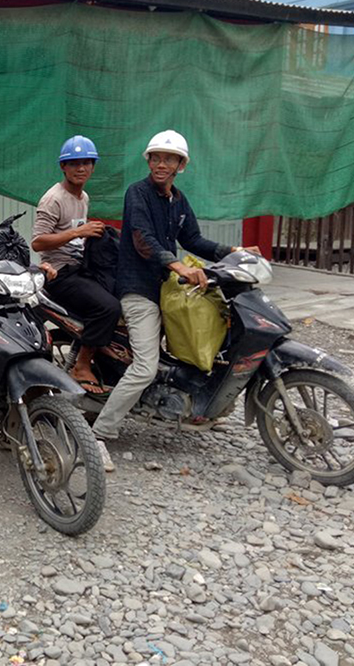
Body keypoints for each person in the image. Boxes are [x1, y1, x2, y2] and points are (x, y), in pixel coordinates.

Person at [92, 130, 244, 472]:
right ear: (148, 161)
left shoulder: (178, 200)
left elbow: (193, 239)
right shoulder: (138, 193)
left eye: (169, 159)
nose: (162, 164)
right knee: (146, 366)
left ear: (180, 165)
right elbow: (142, 240)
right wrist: (178, 267)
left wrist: (232, 252)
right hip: (138, 289)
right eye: (156, 157)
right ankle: (100, 434)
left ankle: (184, 404)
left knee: (201, 338)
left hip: (166, 288)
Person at [31, 135, 121, 396]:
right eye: (74, 163)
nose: (81, 168)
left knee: (124, 295)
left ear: (93, 166)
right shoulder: (53, 199)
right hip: (58, 273)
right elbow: (38, 242)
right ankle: (81, 365)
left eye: (86, 163)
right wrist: (77, 233)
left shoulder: (83, 197)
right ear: (63, 167)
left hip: (80, 267)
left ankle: (109, 364)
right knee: (108, 308)